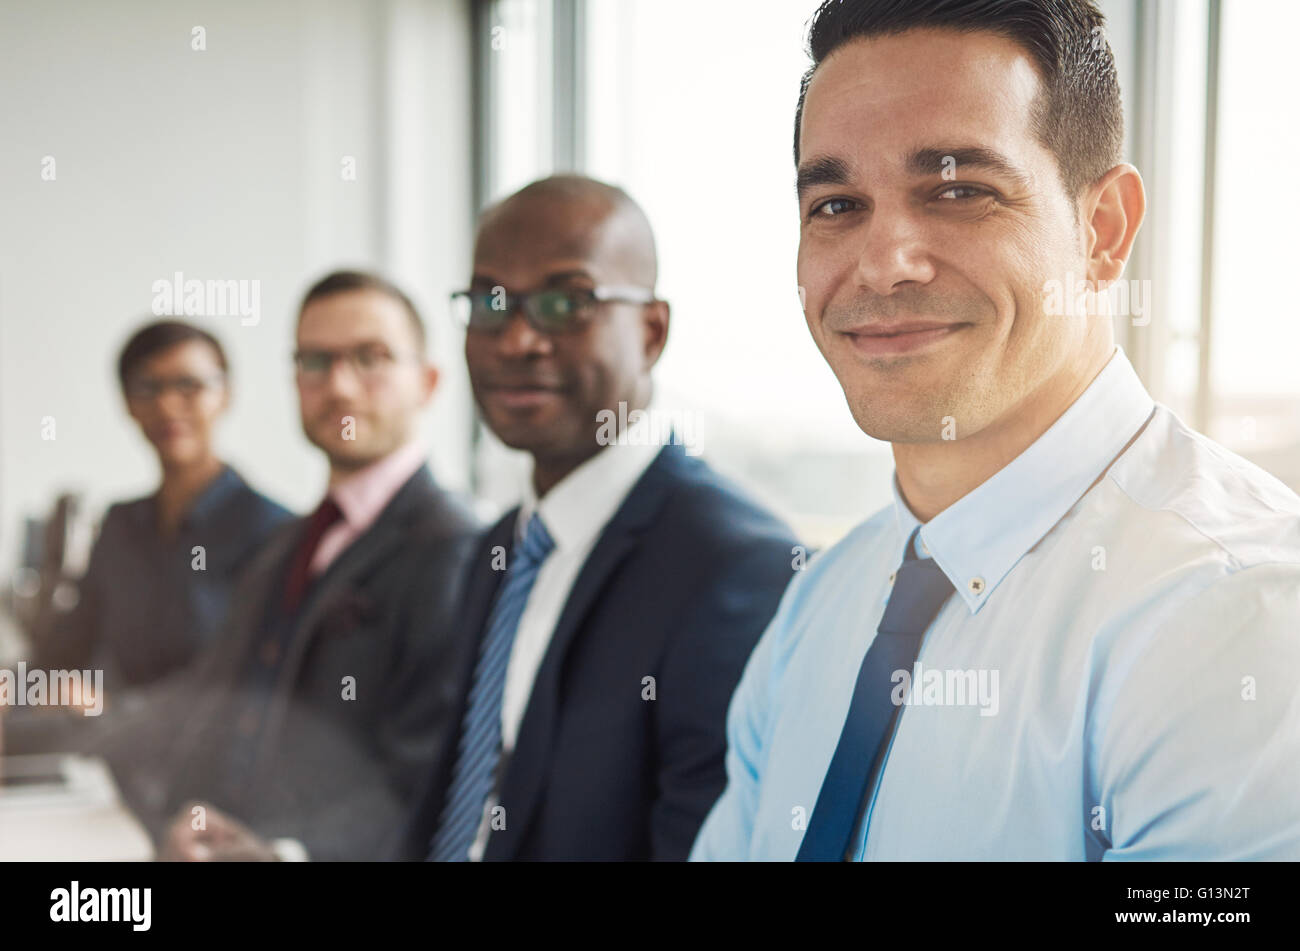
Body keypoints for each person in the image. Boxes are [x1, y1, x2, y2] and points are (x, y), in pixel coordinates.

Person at [692, 0, 1300, 862]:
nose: (881, 260)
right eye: (836, 205)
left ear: (1104, 230)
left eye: (958, 190)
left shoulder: (1240, 617)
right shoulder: (818, 605)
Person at [398, 175, 800, 861]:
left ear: (651, 330)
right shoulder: (501, 547)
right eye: (491, 301)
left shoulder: (734, 565)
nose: (518, 339)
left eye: (565, 302)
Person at [106, 270, 481, 861]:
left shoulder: (456, 550)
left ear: (428, 382)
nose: (340, 387)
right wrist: (182, 819)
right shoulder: (287, 547)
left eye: (371, 358)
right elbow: (212, 703)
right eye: (315, 362)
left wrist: (286, 854)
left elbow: (431, 777)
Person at [27, 320, 291, 689]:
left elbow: (253, 688)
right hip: (108, 737)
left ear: (225, 395)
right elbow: (61, 655)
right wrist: (34, 690)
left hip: (203, 741)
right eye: (148, 387)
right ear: (128, 404)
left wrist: (109, 710)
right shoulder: (120, 524)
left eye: (189, 385)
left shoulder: (274, 532)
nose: (167, 405)